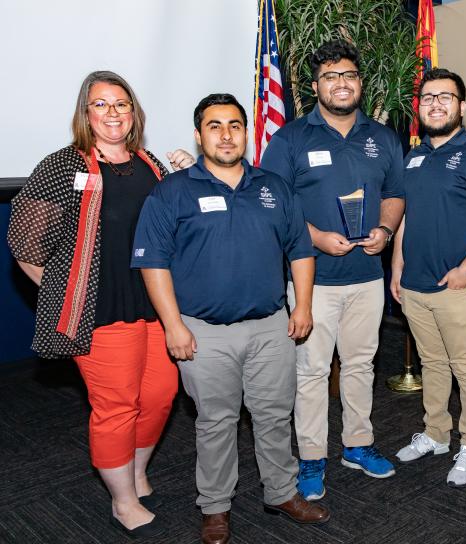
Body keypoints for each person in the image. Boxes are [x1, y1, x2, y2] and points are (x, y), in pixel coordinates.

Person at [131, 94, 329, 543]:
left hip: (270, 327)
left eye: (235, 125)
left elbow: (299, 248)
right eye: (215, 125)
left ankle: (281, 491)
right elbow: (153, 263)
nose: (226, 134)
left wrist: (302, 306)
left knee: (275, 416)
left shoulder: (274, 187)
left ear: (246, 132)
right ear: (198, 135)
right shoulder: (172, 192)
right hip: (202, 332)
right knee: (216, 422)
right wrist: (173, 325)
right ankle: (215, 506)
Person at [7, 70, 194, 538]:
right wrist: (64, 290)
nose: (113, 112)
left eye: (122, 103)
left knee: (159, 397)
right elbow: (24, 244)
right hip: (101, 312)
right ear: (85, 113)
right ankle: (122, 501)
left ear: (134, 113)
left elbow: (183, 225)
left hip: (156, 307)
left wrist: (188, 175)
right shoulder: (61, 166)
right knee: (117, 406)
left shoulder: (150, 163)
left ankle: (134, 472)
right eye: (101, 104)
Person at [260, 40, 404, 499]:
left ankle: (358, 445)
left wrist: (385, 227)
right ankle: (311, 457)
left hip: (368, 278)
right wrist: (316, 238)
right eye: (330, 76)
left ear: (360, 83)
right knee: (311, 372)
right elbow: (272, 205)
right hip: (312, 281)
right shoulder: (291, 139)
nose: (341, 84)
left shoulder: (382, 137)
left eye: (349, 76)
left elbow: (396, 193)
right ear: (315, 85)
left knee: (361, 365)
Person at [390, 68, 466, 487]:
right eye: (427, 98)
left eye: (445, 97)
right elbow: (405, 214)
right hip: (415, 287)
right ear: (418, 107)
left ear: (462, 106)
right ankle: (437, 434)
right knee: (432, 363)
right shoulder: (414, 157)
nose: (435, 104)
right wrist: (397, 266)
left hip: (458, 287)